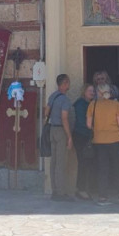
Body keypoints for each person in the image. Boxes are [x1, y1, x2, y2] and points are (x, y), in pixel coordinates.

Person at [86, 83, 119, 206]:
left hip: (99, 141)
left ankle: (103, 197)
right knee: (118, 167)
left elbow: (88, 124)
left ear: (99, 92)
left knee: (102, 168)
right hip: (115, 139)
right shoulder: (116, 105)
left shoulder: (92, 105)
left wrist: (98, 128)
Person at [45, 74, 73, 202]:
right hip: (61, 130)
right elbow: (64, 118)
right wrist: (69, 136)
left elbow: (46, 112)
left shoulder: (52, 96)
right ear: (65, 83)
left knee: (54, 162)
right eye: (68, 82)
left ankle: (54, 190)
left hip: (52, 129)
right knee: (61, 163)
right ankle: (61, 193)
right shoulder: (65, 100)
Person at [72, 83, 97, 200]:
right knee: (83, 162)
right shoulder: (81, 104)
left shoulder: (91, 103)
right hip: (81, 136)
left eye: (93, 91)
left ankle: (85, 188)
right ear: (84, 92)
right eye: (90, 91)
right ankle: (81, 189)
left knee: (88, 162)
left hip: (88, 136)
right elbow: (83, 122)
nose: (92, 93)